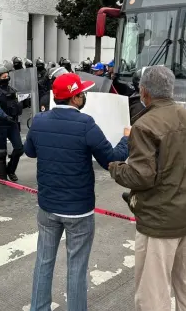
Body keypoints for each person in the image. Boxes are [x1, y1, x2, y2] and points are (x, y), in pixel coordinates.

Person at [108, 65, 186, 311]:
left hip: (158, 221)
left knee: (153, 293)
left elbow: (140, 176)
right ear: (171, 89)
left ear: (144, 92)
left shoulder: (145, 125)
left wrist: (115, 167)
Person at [25, 72, 129, 311]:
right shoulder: (86, 123)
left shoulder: (40, 120)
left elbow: (30, 152)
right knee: (77, 267)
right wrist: (126, 140)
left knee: (43, 262)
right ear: (74, 98)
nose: (84, 96)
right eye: (81, 92)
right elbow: (111, 160)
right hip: (78, 210)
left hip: (48, 205)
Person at [0, 64, 23, 181]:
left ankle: (11, 170)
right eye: (3, 76)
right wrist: (5, 116)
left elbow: (17, 105)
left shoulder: (13, 90)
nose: (6, 78)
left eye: (7, 76)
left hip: (12, 123)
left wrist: (23, 105)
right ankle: (2, 176)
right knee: (1, 151)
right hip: (0, 124)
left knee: (19, 148)